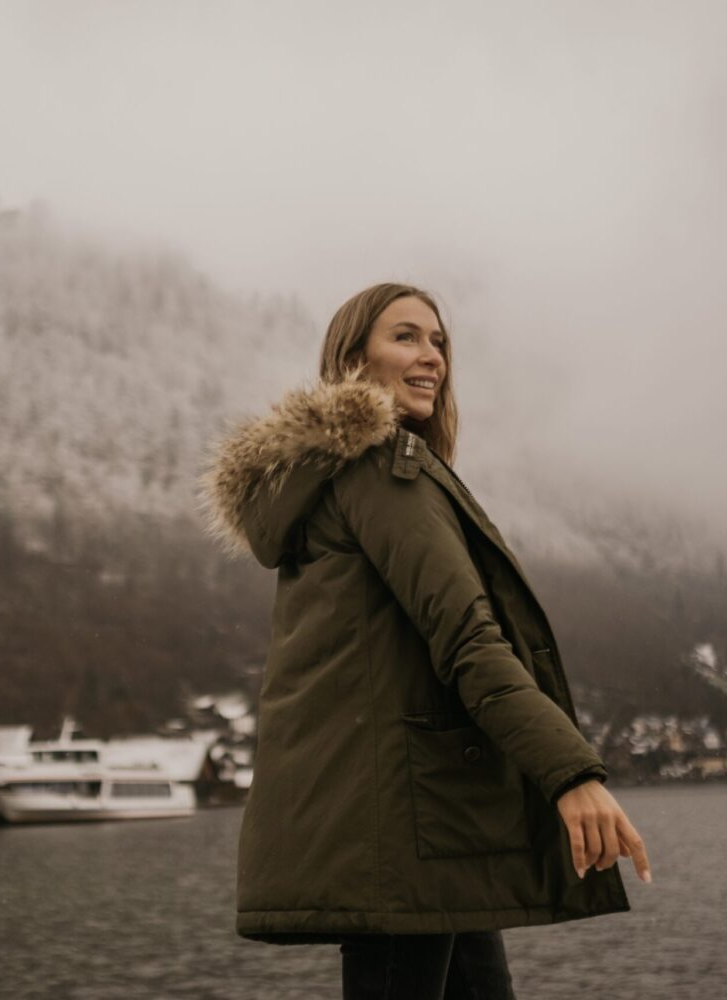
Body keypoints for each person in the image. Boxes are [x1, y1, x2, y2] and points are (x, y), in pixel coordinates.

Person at [199, 282, 652, 999]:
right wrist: (572, 774)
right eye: (405, 337)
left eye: (439, 341)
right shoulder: (383, 472)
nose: (432, 356)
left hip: (425, 822)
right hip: (410, 826)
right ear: (352, 359)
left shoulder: (344, 480)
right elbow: (470, 641)